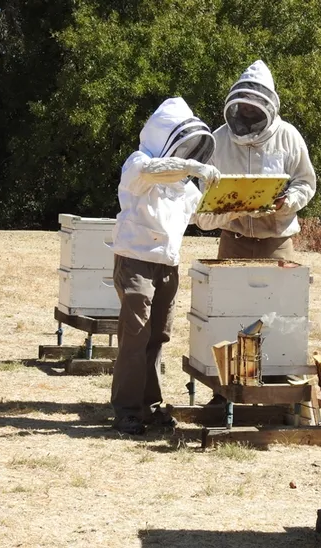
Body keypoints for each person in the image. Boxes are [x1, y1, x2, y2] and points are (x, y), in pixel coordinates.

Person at [110, 97, 221, 435]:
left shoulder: (184, 188)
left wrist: (244, 203)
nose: (187, 152)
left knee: (157, 336)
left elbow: (204, 219)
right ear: (165, 136)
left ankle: (151, 406)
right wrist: (192, 168)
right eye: (182, 144)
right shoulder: (139, 163)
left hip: (167, 266)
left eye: (191, 147)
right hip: (135, 262)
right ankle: (126, 411)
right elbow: (151, 171)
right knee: (136, 335)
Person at [196, 59, 317, 260]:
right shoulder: (219, 139)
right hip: (233, 239)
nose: (249, 105)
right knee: (229, 292)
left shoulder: (288, 135)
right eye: (245, 98)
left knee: (279, 292)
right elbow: (204, 185)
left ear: (268, 102)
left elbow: (305, 182)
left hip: (276, 241)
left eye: (255, 100)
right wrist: (228, 204)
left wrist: (286, 202)